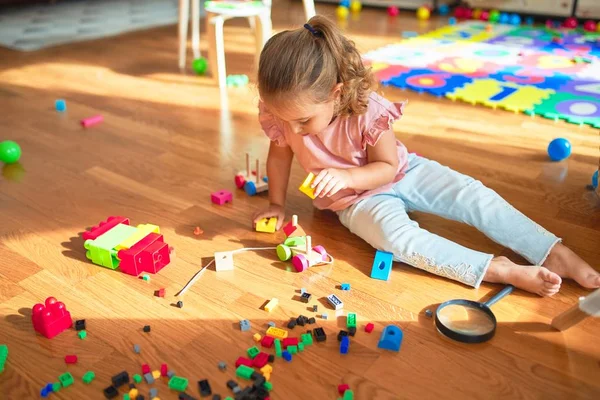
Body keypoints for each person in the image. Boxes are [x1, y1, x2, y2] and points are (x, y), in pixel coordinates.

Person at [252, 15, 600, 296]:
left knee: (472, 195)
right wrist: (278, 204)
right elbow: (280, 157)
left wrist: (346, 176)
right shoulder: (285, 117)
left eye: (301, 121)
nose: (292, 131)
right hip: (353, 203)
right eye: (284, 120)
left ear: (335, 92)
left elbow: (387, 168)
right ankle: (497, 269)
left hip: (402, 172)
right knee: (397, 239)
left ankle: (552, 252)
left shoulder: (367, 110)